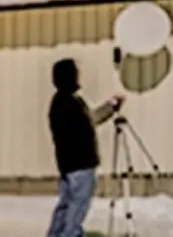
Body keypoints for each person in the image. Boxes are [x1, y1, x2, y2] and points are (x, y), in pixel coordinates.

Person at [46, 58, 124, 237]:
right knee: (78, 204)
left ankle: (56, 233)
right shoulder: (69, 104)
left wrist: (109, 108)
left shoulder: (62, 102)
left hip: (68, 165)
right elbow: (88, 122)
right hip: (79, 164)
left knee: (66, 203)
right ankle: (70, 233)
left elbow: (90, 120)